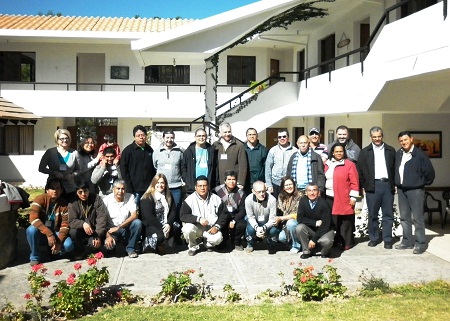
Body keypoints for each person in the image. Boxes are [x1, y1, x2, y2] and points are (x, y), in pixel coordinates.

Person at [394, 131, 435, 254]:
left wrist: (420, 184)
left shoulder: (420, 155)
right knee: (404, 218)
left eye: (405, 140)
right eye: (401, 141)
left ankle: (420, 243)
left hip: (416, 190)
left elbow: (430, 174)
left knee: (417, 218)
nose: (403, 142)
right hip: (402, 190)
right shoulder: (399, 154)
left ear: (411, 139)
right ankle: (407, 241)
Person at [357, 126, 396, 249]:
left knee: (388, 214)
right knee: (373, 214)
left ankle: (388, 239)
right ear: (371, 138)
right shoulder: (364, 152)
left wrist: (394, 184)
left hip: (387, 185)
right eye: (374, 137)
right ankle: (374, 238)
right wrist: (364, 186)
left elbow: (395, 169)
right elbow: (360, 171)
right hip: (372, 186)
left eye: (379, 136)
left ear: (382, 136)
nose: (377, 139)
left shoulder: (390, 150)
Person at [26, 179, 74, 266]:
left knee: (69, 245)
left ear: (61, 190)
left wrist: (59, 242)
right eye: (52, 188)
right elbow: (33, 219)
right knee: (31, 230)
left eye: (57, 188)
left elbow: (65, 225)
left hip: (56, 231)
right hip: (42, 232)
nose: (55, 190)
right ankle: (34, 257)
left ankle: (55, 252)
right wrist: (49, 234)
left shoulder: (64, 204)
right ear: (47, 190)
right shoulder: (39, 199)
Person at [180, 175, 227, 256]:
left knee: (218, 238)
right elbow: (183, 215)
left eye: (204, 185)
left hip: (211, 228)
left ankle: (207, 244)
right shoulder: (189, 200)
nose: (202, 188)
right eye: (200, 186)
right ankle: (193, 247)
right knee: (187, 229)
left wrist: (217, 226)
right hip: (197, 227)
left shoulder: (216, 198)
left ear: (208, 186)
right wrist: (198, 219)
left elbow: (224, 214)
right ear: (195, 187)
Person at [324, 143, 360, 251]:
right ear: (333, 152)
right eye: (336, 151)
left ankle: (347, 243)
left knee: (346, 221)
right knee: (335, 221)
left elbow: (355, 182)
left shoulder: (349, 164)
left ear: (344, 152)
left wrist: (353, 197)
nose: (339, 153)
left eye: (341, 151)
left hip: (344, 196)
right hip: (329, 196)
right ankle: (337, 241)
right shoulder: (328, 164)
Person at [140, 173, 180, 254]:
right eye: (157, 183)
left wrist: (168, 224)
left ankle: (162, 243)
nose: (160, 185)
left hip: (165, 224)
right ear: (154, 184)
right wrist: (162, 228)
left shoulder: (168, 195)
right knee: (160, 237)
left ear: (165, 184)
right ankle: (148, 244)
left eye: (162, 183)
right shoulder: (147, 197)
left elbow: (173, 211)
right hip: (151, 225)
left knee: (177, 226)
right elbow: (149, 217)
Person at [68, 180, 110, 259]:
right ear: (76, 192)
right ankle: (80, 251)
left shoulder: (96, 198)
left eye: (85, 191)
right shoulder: (73, 202)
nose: (83, 194)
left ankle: (94, 249)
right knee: (73, 232)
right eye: (80, 192)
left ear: (89, 190)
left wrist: (97, 235)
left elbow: (102, 217)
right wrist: (82, 224)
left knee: (95, 244)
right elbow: (71, 221)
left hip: (94, 231)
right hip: (81, 231)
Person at [152, 130, 183, 229]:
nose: (169, 140)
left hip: (176, 186)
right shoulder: (157, 152)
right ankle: (162, 229)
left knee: (176, 208)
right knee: (162, 209)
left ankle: (175, 232)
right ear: (163, 138)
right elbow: (155, 166)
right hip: (161, 187)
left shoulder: (179, 151)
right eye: (167, 137)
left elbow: (182, 167)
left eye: (171, 138)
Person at [102, 180, 142, 258]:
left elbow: (134, 215)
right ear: (113, 189)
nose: (120, 191)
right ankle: (114, 245)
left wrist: (119, 227)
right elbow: (102, 220)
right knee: (109, 247)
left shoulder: (130, 197)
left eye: (123, 189)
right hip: (111, 230)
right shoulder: (106, 200)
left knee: (137, 223)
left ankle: (130, 248)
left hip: (125, 228)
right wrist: (108, 235)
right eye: (118, 188)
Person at [296, 183, 334, 259]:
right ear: (306, 193)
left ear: (318, 192)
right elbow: (300, 218)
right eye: (309, 190)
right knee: (299, 228)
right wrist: (314, 223)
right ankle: (307, 251)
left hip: (325, 230)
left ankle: (324, 252)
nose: (312, 193)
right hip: (312, 229)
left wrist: (314, 240)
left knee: (327, 241)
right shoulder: (303, 201)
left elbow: (325, 225)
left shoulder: (324, 204)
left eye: (314, 190)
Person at [39, 128, 80, 196]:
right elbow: (41, 168)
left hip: (69, 188)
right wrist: (54, 172)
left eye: (67, 138)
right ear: (57, 140)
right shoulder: (50, 152)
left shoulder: (74, 153)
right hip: (53, 188)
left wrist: (72, 175)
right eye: (62, 139)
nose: (65, 140)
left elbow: (79, 170)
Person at [121, 125, 156, 205]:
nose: (141, 137)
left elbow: (153, 168)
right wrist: (129, 187)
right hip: (134, 189)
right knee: (135, 212)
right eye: (138, 135)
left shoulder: (150, 150)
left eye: (143, 135)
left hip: (148, 189)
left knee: (146, 210)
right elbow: (124, 170)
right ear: (134, 137)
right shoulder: (128, 151)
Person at [213, 169, 246, 251]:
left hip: (234, 216)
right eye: (229, 179)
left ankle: (236, 242)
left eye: (233, 179)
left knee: (242, 225)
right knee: (221, 246)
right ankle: (222, 241)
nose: (231, 182)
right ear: (225, 181)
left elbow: (242, 210)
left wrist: (234, 221)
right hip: (221, 216)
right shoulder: (217, 191)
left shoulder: (241, 192)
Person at [245, 180, 280, 254]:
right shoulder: (248, 200)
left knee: (273, 229)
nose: (262, 194)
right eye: (259, 192)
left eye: (263, 191)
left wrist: (264, 227)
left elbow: (272, 218)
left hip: (267, 221)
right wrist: (257, 228)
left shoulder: (272, 200)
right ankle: (250, 242)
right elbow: (250, 217)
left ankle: (271, 243)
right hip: (255, 220)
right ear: (253, 191)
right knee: (249, 227)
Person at [181, 128, 218, 195]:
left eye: (203, 136)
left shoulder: (212, 151)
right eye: (199, 136)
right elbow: (183, 167)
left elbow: (215, 167)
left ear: (206, 137)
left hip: (208, 186)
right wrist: (187, 181)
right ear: (195, 137)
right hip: (192, 187)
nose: (201, 138)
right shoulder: (188, 152)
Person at [265, 128, 297, 199]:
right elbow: (268, 168)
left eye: (284, 136)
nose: (282, 138)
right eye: (279, 137)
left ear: (288, 137)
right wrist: (269, 184)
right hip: (275, 184)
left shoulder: (295, 151)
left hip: (289, 184)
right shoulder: (273, 150)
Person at [213, 122, 248, 189]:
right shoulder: (215, 145)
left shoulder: (239, 145)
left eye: (229, 132)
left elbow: (243, 165)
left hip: (233, 182)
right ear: (220, 132)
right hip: (219, 181)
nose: (227, 134)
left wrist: (241, 182)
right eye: (225, 132)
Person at [275, 176, 303, 253]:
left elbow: (297, 214)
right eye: (286, 185)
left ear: (294, 185)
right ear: (283, 187)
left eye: (290, 184)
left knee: (291, 223)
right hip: (285, 224)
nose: (289, 187)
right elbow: (279, 210)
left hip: (298, 222)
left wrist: (282, 218)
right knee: (281, 238)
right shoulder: (281, 196)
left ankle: (296, 245)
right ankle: (295, 244)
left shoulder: (300, 196)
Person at [244, 128, 268, 193]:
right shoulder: (242, 149)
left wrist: (266, 182)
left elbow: (267, 167)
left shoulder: (263, 150)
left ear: (257, 136)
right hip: (245, 183)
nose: (252, 136)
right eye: (250, 134)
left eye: (254, 134)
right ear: (246, 136)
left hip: (259, 183)